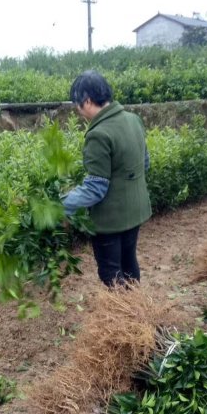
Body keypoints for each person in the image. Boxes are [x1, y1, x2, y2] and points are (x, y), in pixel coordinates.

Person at [62, 70, 152, 287]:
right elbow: (145, 163)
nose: (77, 109)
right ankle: (139, 311)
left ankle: (124, 318)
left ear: (88, 100)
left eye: (77, 103)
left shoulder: (98, 134)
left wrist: (60, 204)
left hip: (111, 219)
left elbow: (96, 189)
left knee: (111, 272)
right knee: (129, 265)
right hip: (136, 209)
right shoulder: (133, 120)